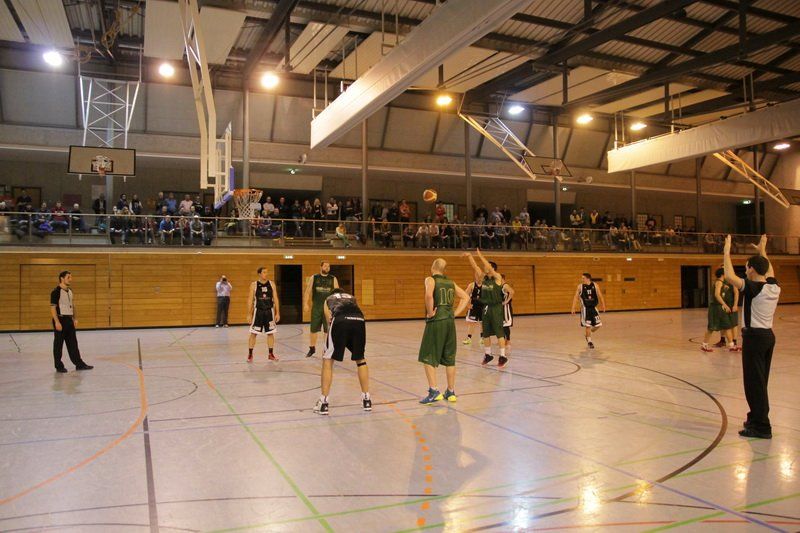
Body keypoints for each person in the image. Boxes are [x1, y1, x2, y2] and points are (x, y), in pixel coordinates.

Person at [723, 234, 780, 439]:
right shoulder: (773, 286)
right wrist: (762, 248)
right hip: (767, 337)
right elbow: (768, 268)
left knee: (754, 383)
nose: (745, 270)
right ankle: (756, 418)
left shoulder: (754, 288)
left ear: (752, 269)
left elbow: (729, 276)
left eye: (747, 267)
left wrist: (726, 251)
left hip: (755, 338)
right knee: (760, 381)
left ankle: (762, 427)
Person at [418, 258, 469, 404]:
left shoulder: (430, 279)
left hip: (437, 321)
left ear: (432, 267)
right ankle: (451, 392)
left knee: (427, 355)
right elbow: (466, 297)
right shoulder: (450, 282)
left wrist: (430, 313)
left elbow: (429, 295)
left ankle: (434, 391)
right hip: (449, 322)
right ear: (444, 269)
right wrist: (455, 313)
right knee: (450, 357)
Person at [313, 288, 371, 415]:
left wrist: (330, 344)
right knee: (360, 359)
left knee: (327, 359)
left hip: (340, 320)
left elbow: (329, 320)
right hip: (359, 321)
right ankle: (366, 399)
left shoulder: (328, 299)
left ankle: (323, 403)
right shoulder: (352, 298)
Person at [464, 249, 509, 368]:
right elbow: (475, 267)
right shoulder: (484, 279)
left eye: (486, 266)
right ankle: (488, 354)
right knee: (486, 333)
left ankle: (503, 356)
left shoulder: (497, 277)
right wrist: (470, 256)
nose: (484, 267)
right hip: (486, 308)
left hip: (496, 308)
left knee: (499, 333)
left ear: (492, 268)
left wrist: (480, 255)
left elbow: (486, 265)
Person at [50, 271, 93, 373]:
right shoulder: (56, 291)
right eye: (68, 277)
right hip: (60, 320)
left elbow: (73, 305)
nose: (70, 279)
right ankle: (59, 366)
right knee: (58, 344)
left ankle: (79, 364)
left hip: (69, 320)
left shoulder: (70, 291)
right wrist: (57, 322)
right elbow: (53, 308)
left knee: (73, 343)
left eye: (71, 277)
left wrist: (75, 318)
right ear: (62, 278)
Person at [304, 261, 339, 357]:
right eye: (325, 266)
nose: (327, 267)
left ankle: (326, 348)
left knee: (327, 330)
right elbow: (307, 291)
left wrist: (336, 306)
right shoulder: (314, 277)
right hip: (317, 307)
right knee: (313, 329)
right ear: (321, 267)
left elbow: (337, 293)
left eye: (329, 266)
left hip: (328, 308)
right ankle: (312, 348)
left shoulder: (333, 279)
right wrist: (305, 303)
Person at [247, 267, 280, 362]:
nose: (266, 274)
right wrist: (249, 314)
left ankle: (271, 354)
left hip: (269, 311)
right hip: (258, 312)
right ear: (259, 274)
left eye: (267, 272)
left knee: (270, 333)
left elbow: (275, 298)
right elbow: (250, 300)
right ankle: (250, 354)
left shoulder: (271, 284)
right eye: (264, 272)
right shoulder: (254, 285)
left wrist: (278, 312)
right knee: (253, 333)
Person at [701, 268, 738, 352]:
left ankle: (731, 346)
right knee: (711, 327)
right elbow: (717, 295)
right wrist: (725, 305)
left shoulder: (722, 283)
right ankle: (704, 345)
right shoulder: (719, 282)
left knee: (727, 325)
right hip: (716, 307)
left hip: (720, 307)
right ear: (722, 274)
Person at [571, 273, 606, 349]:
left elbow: (600, 296)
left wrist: (603, 305)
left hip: (593, 308)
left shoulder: (595, 285)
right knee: (588, 326)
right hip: (585, 309)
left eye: (583, 278)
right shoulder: (580, 287)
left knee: (598, 325)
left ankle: (588, 334)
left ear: (588, 278)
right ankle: (589, 341)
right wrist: (573, 308)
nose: (582, 279)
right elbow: (575, 297)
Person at [462, 280, 483, 345]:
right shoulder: (472, 285)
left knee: (483, 323)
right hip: (474, 307)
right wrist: (468, 304)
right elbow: (465, 294)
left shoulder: (486, 285)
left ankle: (482, 338)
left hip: (483, 307)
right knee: (472, 323)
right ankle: (469, 338)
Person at [501, 274, 515, 358]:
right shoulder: (500, 286)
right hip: (500, 308)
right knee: (501, 325)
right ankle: (504, 340)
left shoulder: (505, 285)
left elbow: (512, 292)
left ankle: (508, 340)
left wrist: (506, 301)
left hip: (506, 308)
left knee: (506, 325)